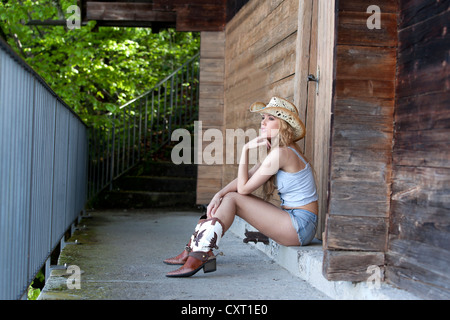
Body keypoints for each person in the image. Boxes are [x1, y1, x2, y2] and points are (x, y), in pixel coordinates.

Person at [164, 97, 318, 277]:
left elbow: (244, 190)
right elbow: (247, 177)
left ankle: (200, 253)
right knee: (229, 197)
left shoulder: (282, 153)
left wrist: (245, 150)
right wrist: (218, 194)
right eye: (263, 118)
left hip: (300, 225)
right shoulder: (278, 151)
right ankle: (194, 250)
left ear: (283, 125)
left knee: (234, 198)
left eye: (271, 118)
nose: (263, 122)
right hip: (295, 220)